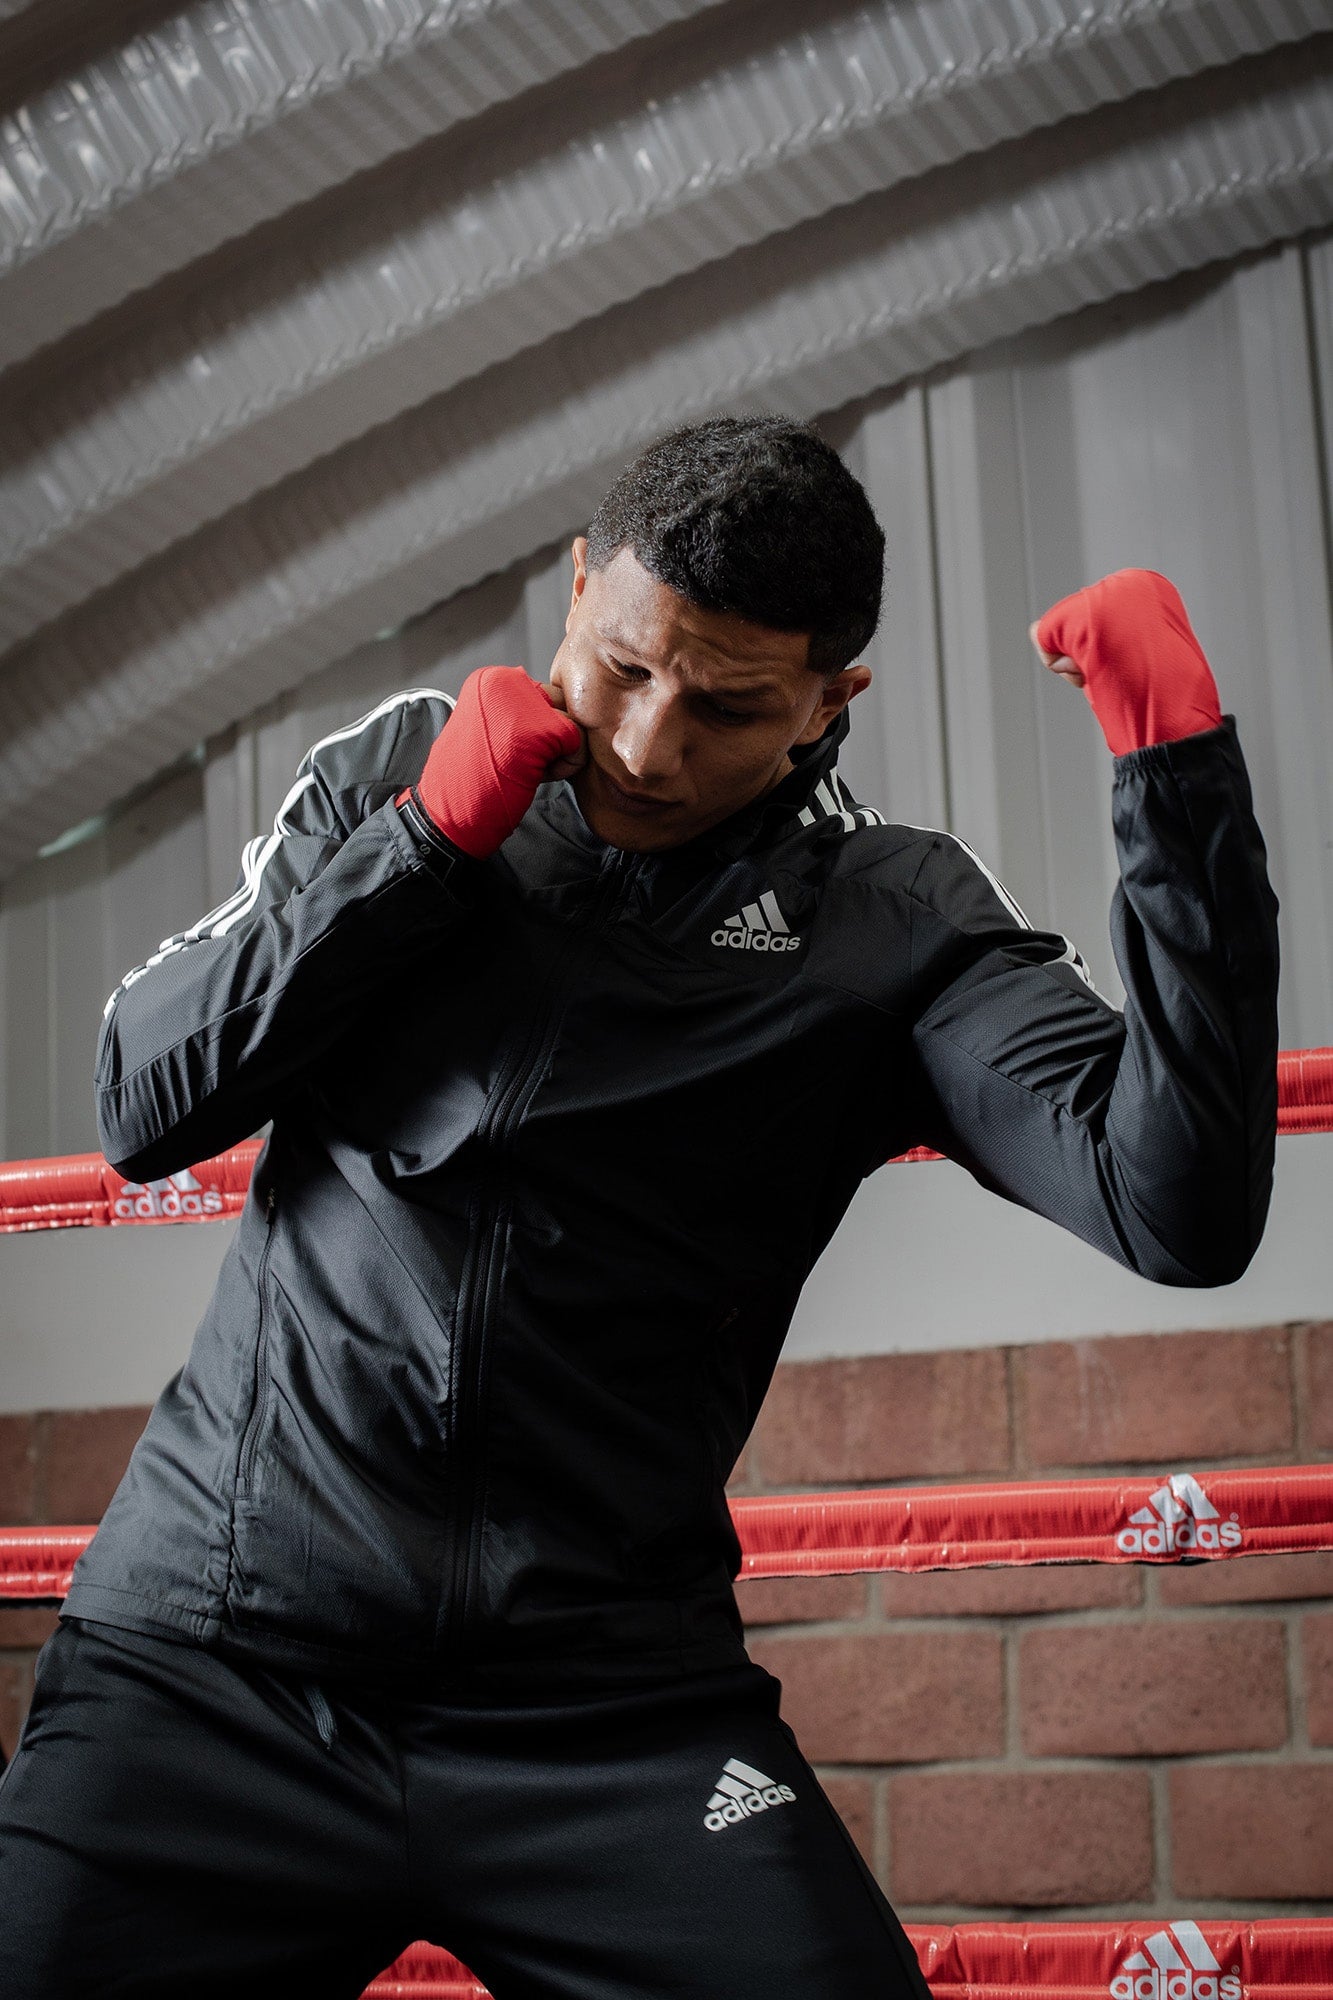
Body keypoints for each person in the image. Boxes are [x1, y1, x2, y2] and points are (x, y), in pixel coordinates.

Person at [0, 416, 1279, 1997]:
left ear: (831, 701)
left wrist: (1175, 786)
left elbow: (1172, 1204)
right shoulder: (402, 768)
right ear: (578, 588)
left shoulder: (889, 924)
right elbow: (144, 1099)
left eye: (730, 705)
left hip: (602, 1717)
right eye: (624, 668)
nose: (652, 746)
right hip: (215, 1666)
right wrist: (417, 852)